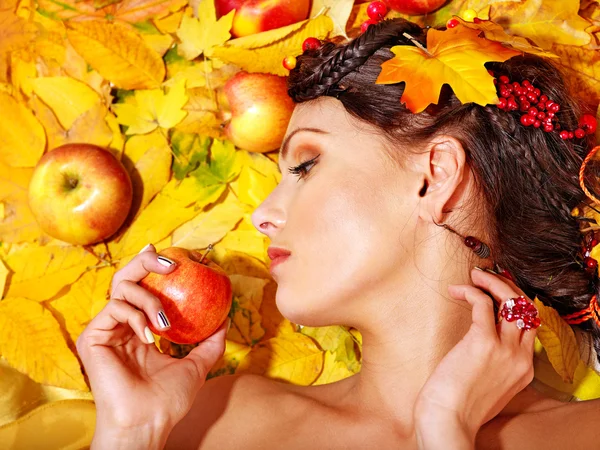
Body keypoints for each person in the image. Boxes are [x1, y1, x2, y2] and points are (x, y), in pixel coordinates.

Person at [76, 18, 600, 449]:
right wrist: (131, 431)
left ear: (434, 175)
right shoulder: (212, 420)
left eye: (305, 165)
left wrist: (445, 431)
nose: (263, 215)